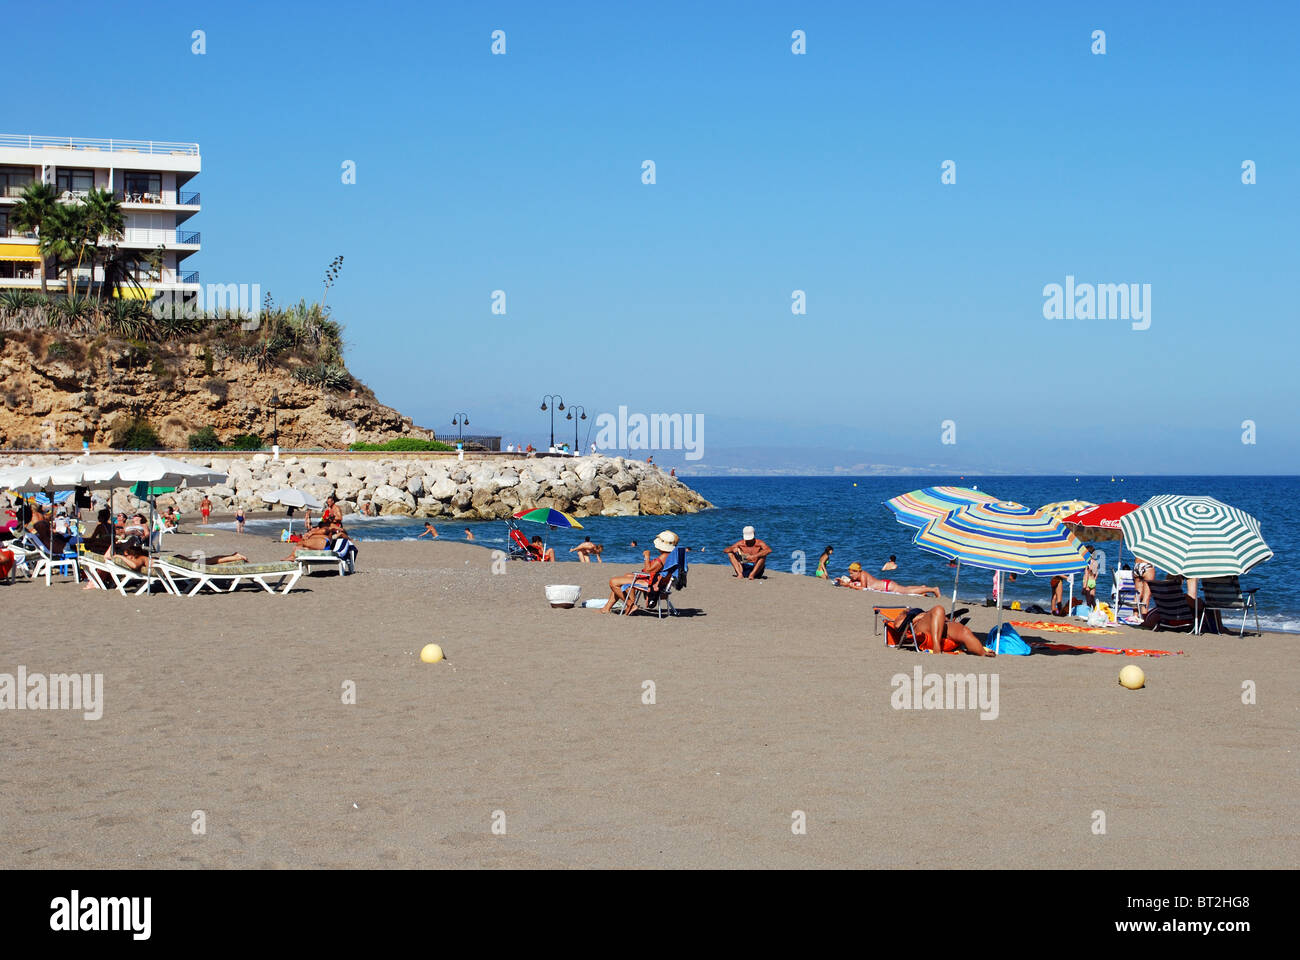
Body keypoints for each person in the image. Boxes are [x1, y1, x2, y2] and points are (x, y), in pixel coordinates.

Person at [600, 530, 677, 615]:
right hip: (661, 583)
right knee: (626, 576)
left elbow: (648, 570)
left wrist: (646, 557)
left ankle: (631, 604)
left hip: (653, 584)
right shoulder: (671, 556)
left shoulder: (663, 557)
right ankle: (607, 608)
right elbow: (655, 570)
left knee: (613, 582)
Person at [884, 606, 997, 657]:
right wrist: (915, 618)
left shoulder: (917, 611)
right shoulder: (904, 614)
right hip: (919, 627)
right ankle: (937, 648)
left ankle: (981, 652)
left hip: (938, 624)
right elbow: (898, 626)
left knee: (964, 630)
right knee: (938, 609)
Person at [836, 562, 940, 597]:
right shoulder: (860, 575)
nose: (851, 576)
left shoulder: (863, 575)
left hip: (888, 587)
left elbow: (863, 588)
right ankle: (922, 588)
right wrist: (843, 582)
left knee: (907, 591)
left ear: (857, 571)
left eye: (852, 573)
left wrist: (848, 585)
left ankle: (933, 589)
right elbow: (852, 581)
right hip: (887, 585)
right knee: (906, 588)